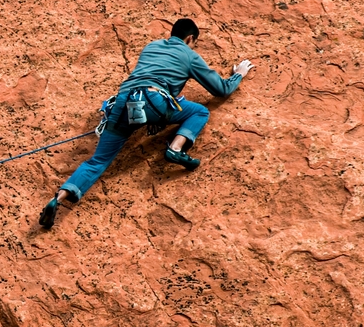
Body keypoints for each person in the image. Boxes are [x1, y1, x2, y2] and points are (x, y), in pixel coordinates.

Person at [39, 18, 254, 229]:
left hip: (121, 104)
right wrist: (238, 75)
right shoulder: (189, 55)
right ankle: (175, 148)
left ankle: (59, 198)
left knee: (97, 161)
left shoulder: (151, 46)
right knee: (199, 111)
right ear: (190, 38)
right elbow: (221, 90)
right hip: (151, 101)